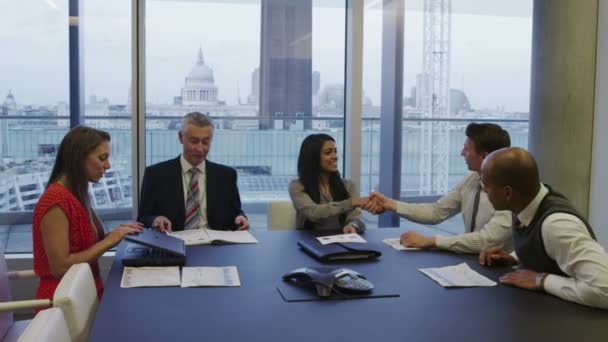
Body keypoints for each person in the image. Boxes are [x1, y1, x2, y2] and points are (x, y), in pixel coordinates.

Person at [479, 147, 608, 309]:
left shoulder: (557, 226)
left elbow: (604, 290)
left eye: (486, 186)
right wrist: (515, 257)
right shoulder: (526, 202)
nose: (484, 191)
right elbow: (551, 249)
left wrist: (542, 280)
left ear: (507, 193)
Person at [32, 126, 143, 303]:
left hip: (85, 294)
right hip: (64, 305)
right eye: (102, 158)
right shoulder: (55, 200)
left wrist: (117, 233)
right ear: (79, 158)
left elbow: (85, 248)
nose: (108, 165)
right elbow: (60, 267)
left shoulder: (77, 194)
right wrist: (109, 240)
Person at [368, 123, 512, 253]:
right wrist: (390, 204)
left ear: (484, 157)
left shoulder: (508, 192)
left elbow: (485, 240)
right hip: (472, 262)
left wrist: (432, 241)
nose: (462, 153)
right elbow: (436, 212)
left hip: (500, 271)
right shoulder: (472, 178)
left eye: (467, 150)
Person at [138, 112, 248, 232]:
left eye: (205, 142)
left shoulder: (226, 176)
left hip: (215, 245)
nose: (200, 148)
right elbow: (143, 218)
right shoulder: (155, 175)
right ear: (181, 137)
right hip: (173, 243)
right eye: (194, 141)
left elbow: (235, 212)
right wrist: (156, 219)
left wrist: (240, 218)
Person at [289, 134, 369, 234]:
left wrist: (352, 225)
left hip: (342, 240)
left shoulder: (348, 185)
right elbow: (313, 212)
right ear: (312, 157)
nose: (335, 156)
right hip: (309, 241)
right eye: (328, 152)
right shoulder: (297, 186)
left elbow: (356, 216)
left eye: (335, 151)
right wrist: (350, 202)